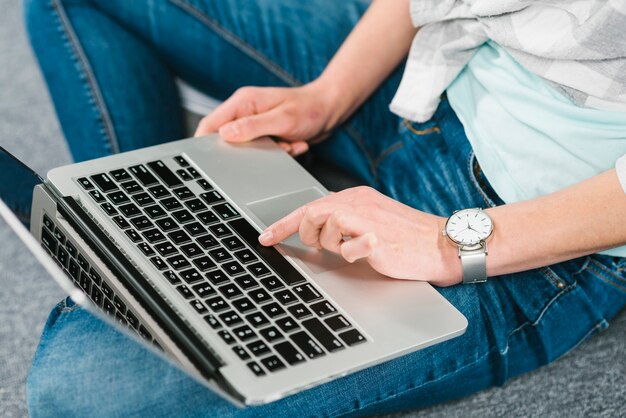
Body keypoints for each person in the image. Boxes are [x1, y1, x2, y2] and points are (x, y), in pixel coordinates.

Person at [24, 0, 626, 416]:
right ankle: (163, 234)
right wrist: (325, 98)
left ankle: (193, 252)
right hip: (436, 73)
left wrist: (450, 242)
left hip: (534, 219)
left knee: (79, 389)